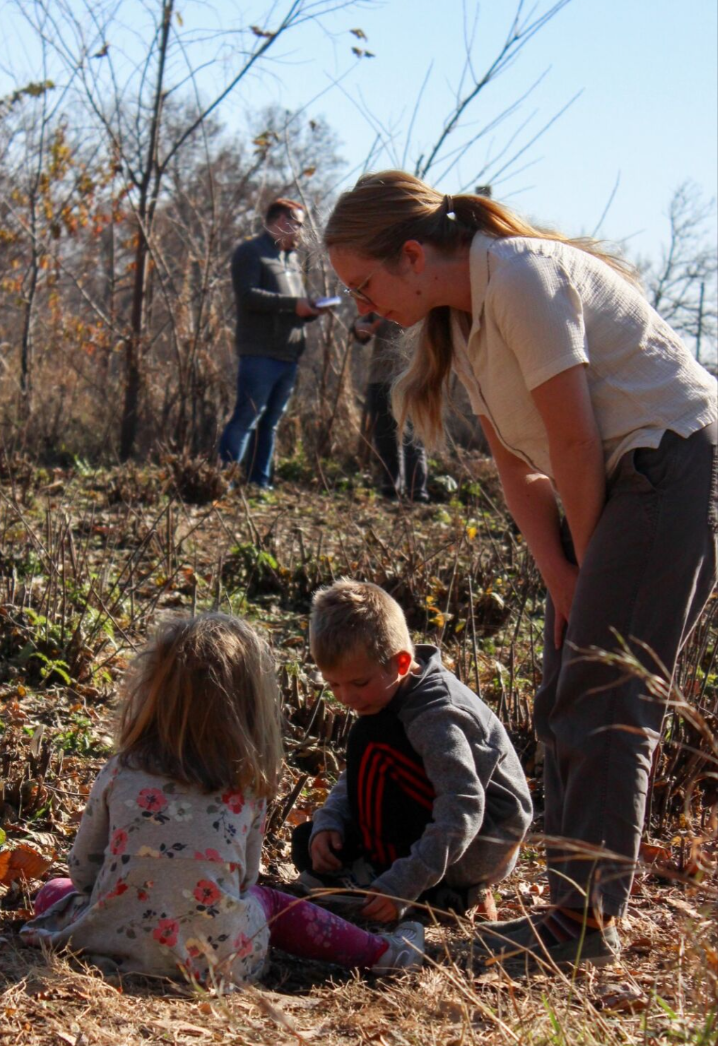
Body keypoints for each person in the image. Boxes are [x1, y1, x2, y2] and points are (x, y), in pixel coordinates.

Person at [322, 170, 717, 971]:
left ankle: (584, 925)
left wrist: (592, 565)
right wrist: (564, 580)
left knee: (606, 698)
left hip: (673, 468)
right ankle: (571, 909)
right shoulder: (462, 325)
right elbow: (521, 472)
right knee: (561, 696)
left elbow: (572, 441)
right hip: (616, 487)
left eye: (366, 285)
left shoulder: (522, 277)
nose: (365, 306)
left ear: (410, 253)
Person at [21, 614, 424, 983]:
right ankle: (381, 953)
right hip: (219, 962)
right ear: (250, 707)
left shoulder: (122, 769)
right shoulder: (246, 784)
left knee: (52, 892)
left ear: (152, 693)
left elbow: (83, 872)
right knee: (267, 901)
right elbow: (245, 880)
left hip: (109, 941)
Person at [292, 580, 533, 921]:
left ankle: (429, 890)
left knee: (370, 736)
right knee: (310, 843)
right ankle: (404, 877)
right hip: (443, 828)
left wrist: (402, 884)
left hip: (480, 844)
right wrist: (330, 820)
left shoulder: (435, 716)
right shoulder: (392, 693)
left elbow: (463, 805)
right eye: (333, 684)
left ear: (401, 662)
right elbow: (363, 773)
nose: (346, 697)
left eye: (359, 683)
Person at [218, 198, 328, 489]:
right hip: (260, 354)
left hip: (288, 355)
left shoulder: (291, 260)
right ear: (281, 221)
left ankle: (259, 484)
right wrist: (295, 305)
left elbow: (292, 306)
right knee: (246, 418)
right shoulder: (251, 252)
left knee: (270, 424)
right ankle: (221, 482)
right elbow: (248, 296)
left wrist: (309, 309)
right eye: (299, 225)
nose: (301, 233)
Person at [352, 313, 429, 501]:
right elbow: (360, 325)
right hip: (381, 377)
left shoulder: (427, 291)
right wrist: (360, 328)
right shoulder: (380, 292)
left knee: (414, 437)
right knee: (385, 437)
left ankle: (416, 493)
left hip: (413, 377)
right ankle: (390, 489)